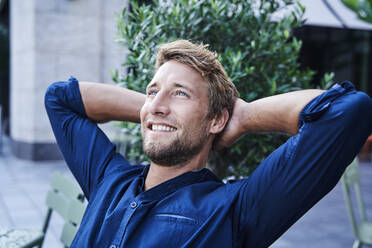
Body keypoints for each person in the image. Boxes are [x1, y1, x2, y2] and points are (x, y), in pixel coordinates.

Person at [45, 40, 372, 248]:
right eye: (152, 90)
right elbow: (59, 98)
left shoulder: (235, 212)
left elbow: (348, 111)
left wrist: (242, 117)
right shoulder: (108, 179)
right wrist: (156, 114)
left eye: (181, 93)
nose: (158, 102)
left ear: (217, 120)